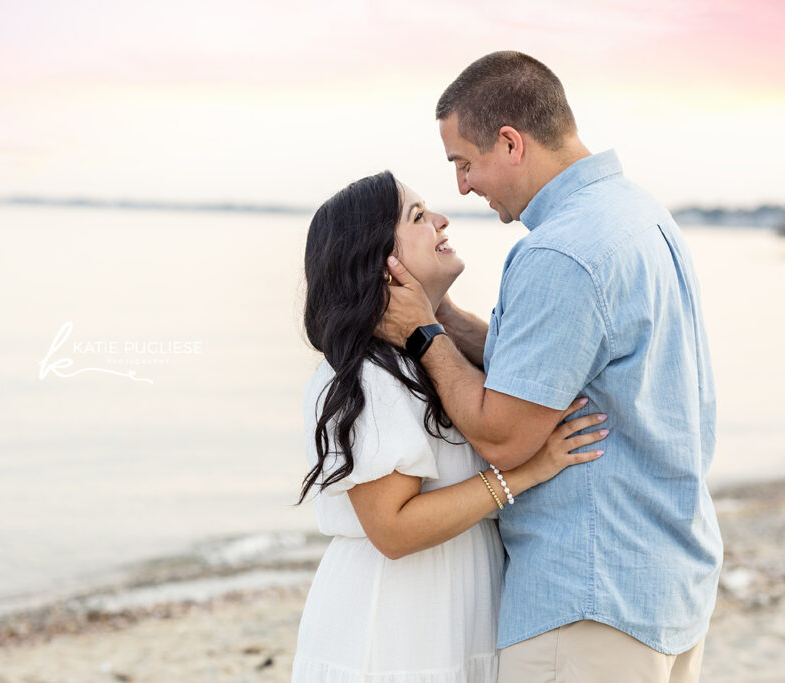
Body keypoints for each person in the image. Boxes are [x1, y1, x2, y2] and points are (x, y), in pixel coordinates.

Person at [377, 51, 722, 683]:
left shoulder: (562, 251)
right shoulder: (639, 215)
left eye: (464, 163)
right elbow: (551, 370)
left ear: (510, 142)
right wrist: (445, 317)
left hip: (589, 598)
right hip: (667, 580)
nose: (461, 188)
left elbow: (504, 436)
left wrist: (423, 335)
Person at [292, 170, 608, 682]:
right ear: (381, 262)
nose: (441, 220)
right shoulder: (367, 375)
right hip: (399, 616)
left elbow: (518, 376)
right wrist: (524, 473)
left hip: (460, 600)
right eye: (418, 217)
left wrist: (435, 317)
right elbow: (393, 529)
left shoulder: (432, 358)